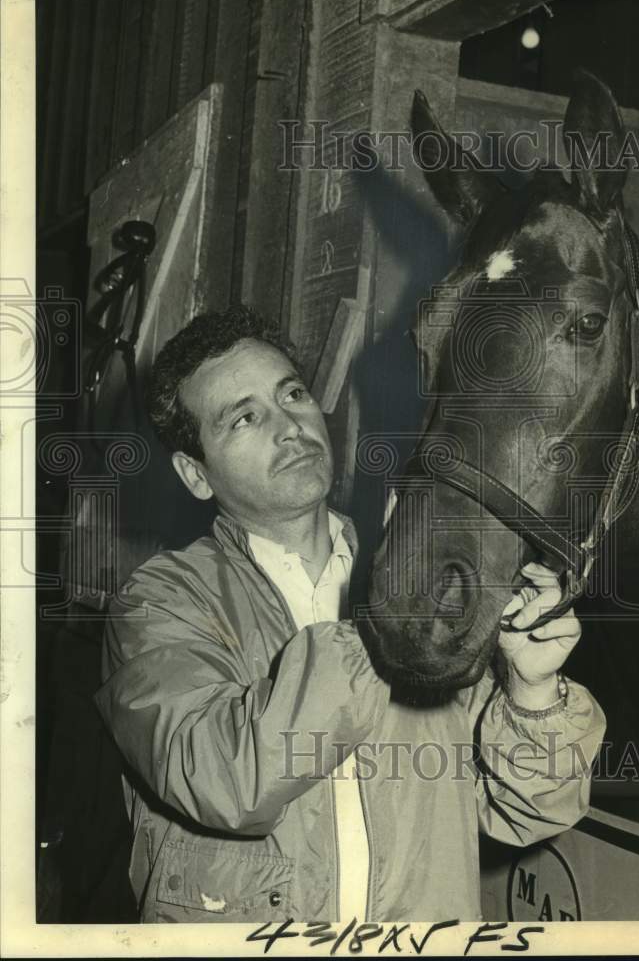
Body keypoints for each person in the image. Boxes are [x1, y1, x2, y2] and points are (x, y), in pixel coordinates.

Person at [95, 306, 605, 923]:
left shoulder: (417, 585)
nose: (289, 427)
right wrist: (392, 607)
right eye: (245, 418)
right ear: (195, 474)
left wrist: (531, 689)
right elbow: (228, 781)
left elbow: (525, 810)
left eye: (294, 394)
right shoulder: (160, 603)